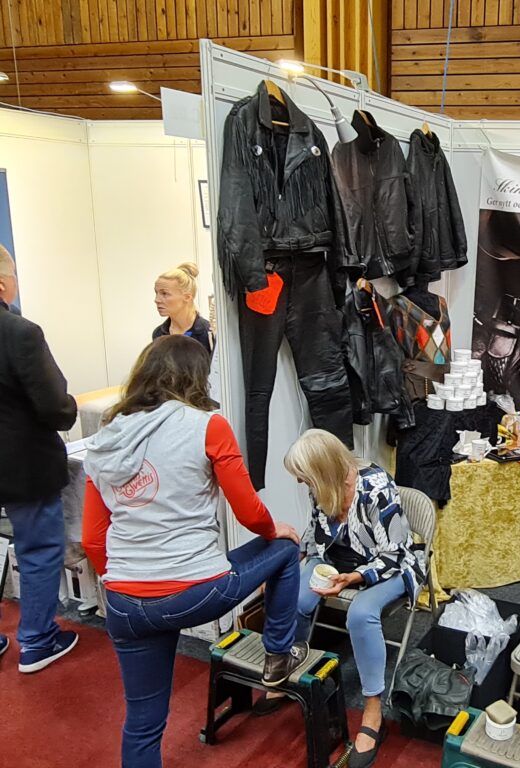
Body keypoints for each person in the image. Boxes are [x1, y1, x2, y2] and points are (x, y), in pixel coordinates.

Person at [82, 335, 304, 768]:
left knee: (142, 725)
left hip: (125, 602)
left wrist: (132, 582)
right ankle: (278, 655)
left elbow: (92, 538)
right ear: (198, 378)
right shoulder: (207, 425)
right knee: (284, 546)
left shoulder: (108, 438)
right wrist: (273, 528)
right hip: (194, 591)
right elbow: (248, 512)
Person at [280, 429, 422, 768]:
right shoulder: (321, 485)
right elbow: (316, 533)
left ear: (323, 468)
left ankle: (373, 710)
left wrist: (356, 577)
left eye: (304, 475)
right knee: (295, 599)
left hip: (388, 566)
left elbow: (395, 553)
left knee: (360, 614)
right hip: (337, 560)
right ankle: (296, 670)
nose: (300, 482)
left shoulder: (376, 487)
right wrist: (291, 560)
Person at [0, 245, 80, 671]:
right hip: (23, 467)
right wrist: (69, 406)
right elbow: (56, 408)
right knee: (38, 550)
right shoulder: (20, 333)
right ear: (3, 284)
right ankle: (37, 640)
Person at [152, 262, 213, 354]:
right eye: (156, 293)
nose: (156, 300)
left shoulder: (208, 334)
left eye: (164, 293)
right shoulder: (158, 334)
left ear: (187, 297)